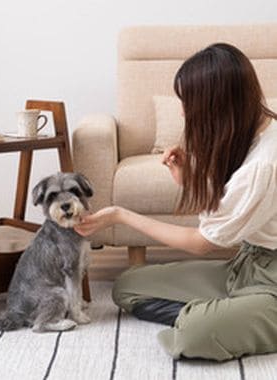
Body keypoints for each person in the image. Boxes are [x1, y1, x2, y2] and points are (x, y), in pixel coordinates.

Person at [74, 43, 277, 361]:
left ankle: (217, 318)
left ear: (216, 106)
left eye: (187, 102)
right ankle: (232, 314)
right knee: (128, 285)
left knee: (194, 334)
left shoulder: (266, 162)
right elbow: (229, 209)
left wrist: (121, 215)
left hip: (273, 282)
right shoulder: (251, 137)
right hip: (249, 265)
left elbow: (201, 243)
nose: (182, 111)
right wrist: (186, 177)